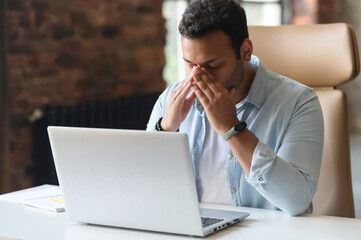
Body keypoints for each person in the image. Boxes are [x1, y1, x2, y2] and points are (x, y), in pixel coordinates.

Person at [147, 0, 324, 216]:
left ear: (246, 51)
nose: (197, 76)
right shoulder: (171, 99)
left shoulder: (299, 102)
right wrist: (166, 130)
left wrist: (231, 128)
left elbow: (296, 201)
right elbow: (145, 188)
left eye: (212, 66)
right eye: (190, 64)